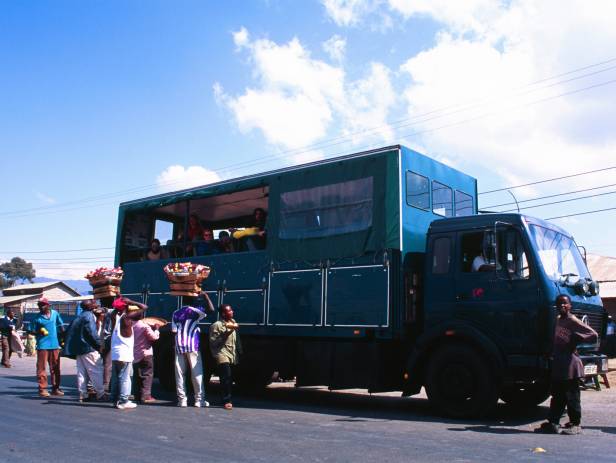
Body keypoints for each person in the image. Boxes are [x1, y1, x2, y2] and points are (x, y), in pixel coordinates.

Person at [535, 295, 598, 435]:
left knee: (572, 397)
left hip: (571, 367)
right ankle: (553, 423)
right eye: (559, 304)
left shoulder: (572, 320)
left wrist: (576, 339)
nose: (562, 306)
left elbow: (593, 334)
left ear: (570, 305)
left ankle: (575, 424)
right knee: (557, 396)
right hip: (559, 366)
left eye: (565, 303)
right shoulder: (559, 320)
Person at [171, 291, 215, 407]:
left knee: (180, 374)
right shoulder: (195, 311)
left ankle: (182, 400)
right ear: (193, 301)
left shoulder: (175, 313)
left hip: (179, 345)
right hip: (192, 345)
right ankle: (199, 400)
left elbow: (174, 331)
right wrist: (206, 297)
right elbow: (211, 310)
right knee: (196, 373)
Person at [64, 300, 106, 402]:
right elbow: (92, 332)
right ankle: (100, 394)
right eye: (93, 303)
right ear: (90, 306)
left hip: (79, 349)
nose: (96, 303)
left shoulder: (79, 316)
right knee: (96, 371)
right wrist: (99, 345)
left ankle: (83, 394)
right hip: (88, 348)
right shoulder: (89, 316)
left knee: (81, 372)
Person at [109, 297, 147, 410]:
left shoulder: (114, 317)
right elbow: (144, 307)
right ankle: (124, 401)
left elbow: (115, 309)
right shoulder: (126, 318)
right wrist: (131, 302)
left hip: (115, 354)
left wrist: (120, 301)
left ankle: (115, 400)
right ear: (126, 307)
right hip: (124, 354)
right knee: (125, 378)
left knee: (116, 378)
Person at [209, 304, 242, 410]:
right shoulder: (216, 325)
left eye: (231, 310)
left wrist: (240, 351)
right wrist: (226, 333)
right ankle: (226, 400)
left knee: (229, 377)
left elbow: (237, 340)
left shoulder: (233, 322)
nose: (232, 312)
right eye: (229, 311)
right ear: (223, 314)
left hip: (231, 353)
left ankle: (225, 396)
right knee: (226, 376)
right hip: (221, 353)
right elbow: (214, 343)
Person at [30, 298, 65, 397]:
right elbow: (30, 331)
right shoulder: (37, 318)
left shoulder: (55, 314)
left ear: (48, 305)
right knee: (41, 368)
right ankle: (42, 389)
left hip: (55, 345)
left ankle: (55, 388)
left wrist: (64, 338)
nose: (40, 307)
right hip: (42, 346)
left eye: (43, 305)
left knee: (55, 368)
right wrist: (38, 332)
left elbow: (61, 326)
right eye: (39, 305)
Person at [132, 314, 160, 404]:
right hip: (146, 354)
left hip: (135, 354)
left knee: (137, 376)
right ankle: (146, 396)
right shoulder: (144, 326)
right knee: (147, 375)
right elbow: (154, 337)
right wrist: (156, 329)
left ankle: (137, 395)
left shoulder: (131, 325)